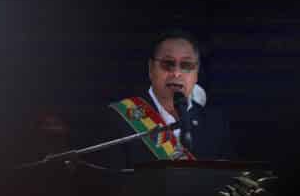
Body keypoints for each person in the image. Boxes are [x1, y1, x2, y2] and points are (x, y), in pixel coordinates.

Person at [69, 29, 235, 170]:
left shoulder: (216, 123)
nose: (176, 73)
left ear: (196, 72)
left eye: (186, 65)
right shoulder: (119, 118)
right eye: (168, 64)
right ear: (151, 69)